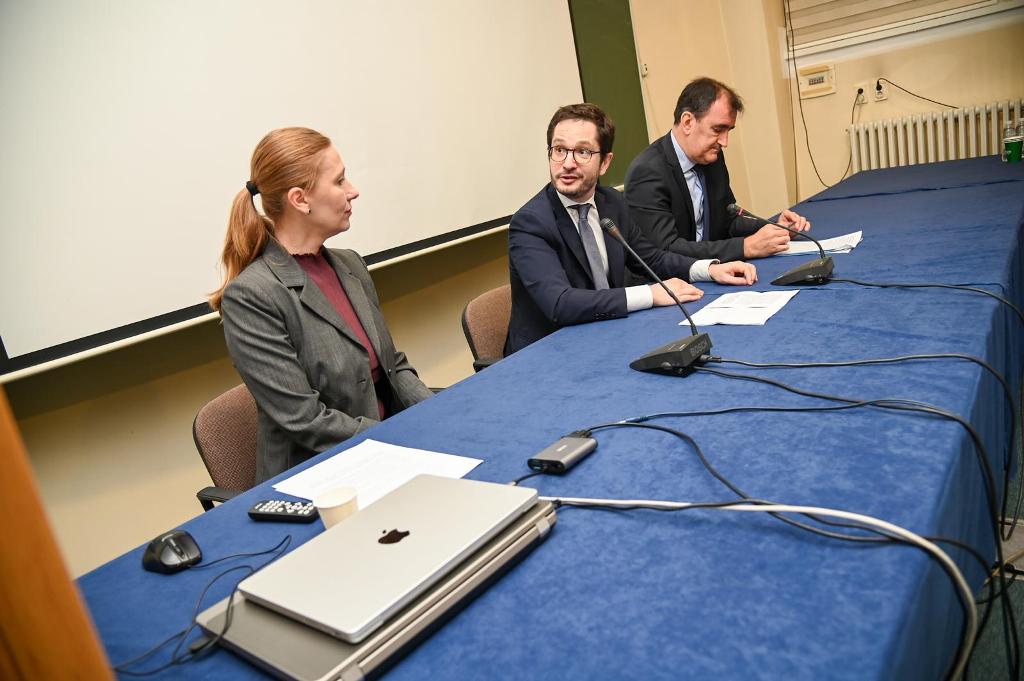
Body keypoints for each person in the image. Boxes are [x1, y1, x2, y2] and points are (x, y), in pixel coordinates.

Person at [209, 127, 433, 483]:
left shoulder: (350, 264)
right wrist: (400, 440)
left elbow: (394, 366)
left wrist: (439, 415)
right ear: (300, 200)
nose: (353, 190)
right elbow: (306, 420)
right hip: (321, 479)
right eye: (340, 181)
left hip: (387, 452)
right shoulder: (252, 296)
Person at [505, 103, 756, 356]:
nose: (567, 163)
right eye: (559, 150)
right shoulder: (530, 223)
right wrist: (650, 294)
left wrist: (708, 269)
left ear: (605, 162)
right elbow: (561, 304)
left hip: (607, 335)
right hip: (548, 354)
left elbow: (652, 259)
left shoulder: (611, 203)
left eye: (582, 152)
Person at [625, 77, 811, 263]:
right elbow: (666, 249)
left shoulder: (712, 158)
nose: (725, 141)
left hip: (712, 269)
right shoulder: (648, 172)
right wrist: (746, 247)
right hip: (672, 277)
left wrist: (775, 228)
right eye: (717, 129)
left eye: (728, 130)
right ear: (688, 122)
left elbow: (727, 221)